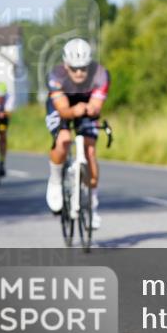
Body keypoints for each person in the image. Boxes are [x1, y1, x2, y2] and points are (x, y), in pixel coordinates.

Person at [44, 38, 110, 228]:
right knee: (63, 140)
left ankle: (93, 206)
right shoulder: (56, 76)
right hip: (62, 107)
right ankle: (56, 181)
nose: (79, 73)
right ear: (66, 66)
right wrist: (74, 111)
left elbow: (96, 106)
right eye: (74, 68)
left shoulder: (100, 74)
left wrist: (89, 108)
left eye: (84, 68)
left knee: (90, 151)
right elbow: (63, 110)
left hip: (86, 107)